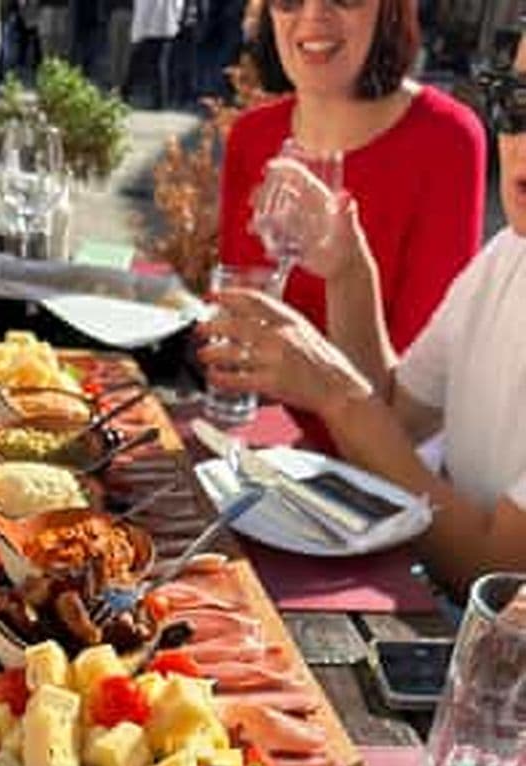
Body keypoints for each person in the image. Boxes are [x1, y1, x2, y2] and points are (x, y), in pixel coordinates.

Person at [201, 30, 526, 598]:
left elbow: (493, 572)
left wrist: (335, 394)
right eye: (517, 101)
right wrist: (349, 272)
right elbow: (397, 415)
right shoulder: (509, 253)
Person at [220, 0, 487, 354]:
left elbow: (425, 370)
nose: (314, 13)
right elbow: (233, 312)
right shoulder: (250, 137)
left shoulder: (446, 139)